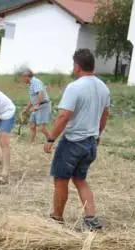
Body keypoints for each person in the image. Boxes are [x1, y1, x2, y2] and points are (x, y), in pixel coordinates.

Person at [44, 49, 110, 231]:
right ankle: (91, 218)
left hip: (73, 142)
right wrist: (97, 134)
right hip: (90, 142)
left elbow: (64, 116)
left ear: (77, 66)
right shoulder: (103, 87)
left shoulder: (75, 87)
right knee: (80, 179)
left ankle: (56, 217)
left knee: (61, 179)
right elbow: (105, 115)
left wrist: (51, 138)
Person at [21, 69, 51, 143]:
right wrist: (27, 109)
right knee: (32, 124)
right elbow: (33, 99)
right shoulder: (31, 84)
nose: (22, 79)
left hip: (42, 106)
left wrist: (37, 106)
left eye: (23, 77)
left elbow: (41, 93)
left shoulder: (35, 82)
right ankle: (31, 143)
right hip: (37, 106)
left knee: (42, 127)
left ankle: (51, 141)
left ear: (27, 77)